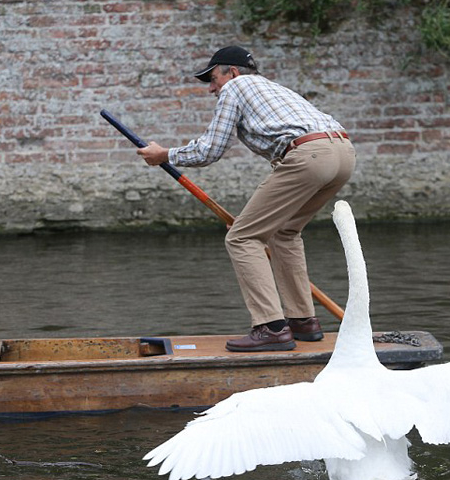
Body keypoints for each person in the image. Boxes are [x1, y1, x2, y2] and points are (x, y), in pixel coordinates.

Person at [137, 45, 356, 352]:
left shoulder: (236, 88)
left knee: (241, 239)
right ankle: (303, 322)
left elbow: (210, 150)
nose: (212, 88)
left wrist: (165, 155)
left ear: (233, 72)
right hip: (343, 153)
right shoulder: (274, 88)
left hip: (310, 155)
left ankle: (271, 328)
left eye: (213, 79)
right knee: (284, 232)